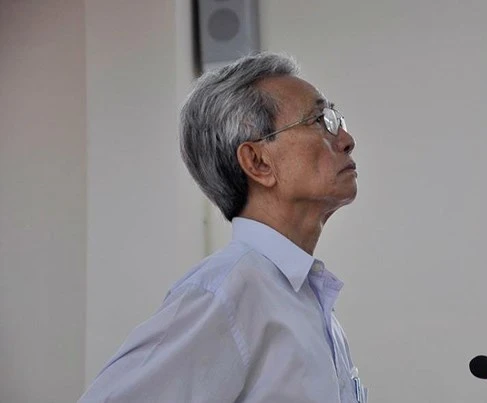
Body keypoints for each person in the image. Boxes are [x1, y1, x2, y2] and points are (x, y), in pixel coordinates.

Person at [79, 52, 367, 403]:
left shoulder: (307, 299)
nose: (346, 139)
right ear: (258, 162)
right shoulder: (224, 295)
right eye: (319, 121)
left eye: (334, 119)